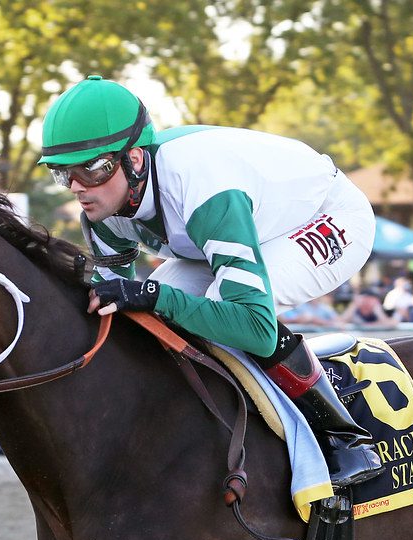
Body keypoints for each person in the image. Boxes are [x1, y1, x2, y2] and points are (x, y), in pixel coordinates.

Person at [38, 75, 381, 487]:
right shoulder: (102, 213)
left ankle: (345, 438)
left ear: (135, 160)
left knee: (220, 309)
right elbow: (111, 317)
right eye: (63, 174)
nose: (77, 188)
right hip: (234, 228)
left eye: (92, 168)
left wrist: (153, 294)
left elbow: (254, 327)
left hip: (326, 216)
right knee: (150, 323)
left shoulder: (201, 188)